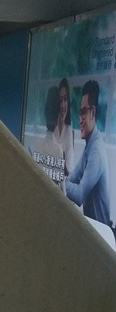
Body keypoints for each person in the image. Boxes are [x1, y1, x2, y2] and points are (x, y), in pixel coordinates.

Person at [65, 79, 111, 227]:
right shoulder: (89, 147)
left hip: (101, 239)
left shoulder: (96, 151)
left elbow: (79, 195)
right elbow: (72, 178)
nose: (80, 119)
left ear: (93, 112)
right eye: (80, 113)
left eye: (84, 112)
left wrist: (59, 181)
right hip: (92, 230)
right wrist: (61, 179)